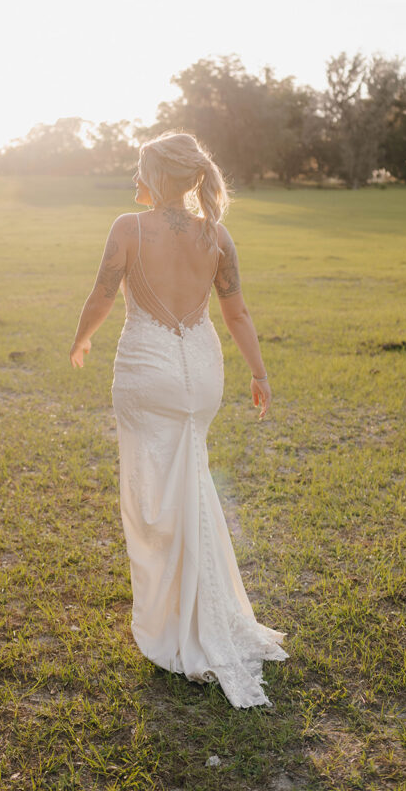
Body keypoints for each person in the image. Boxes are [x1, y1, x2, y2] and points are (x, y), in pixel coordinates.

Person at [70, 132, 287, 708]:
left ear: (158, 177)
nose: (133, 178)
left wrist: (82, 339)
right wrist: (259, 374)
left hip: (148, 371)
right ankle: (202, 611)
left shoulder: (128, 228)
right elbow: (236, 311)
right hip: (202, 373)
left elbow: (102, 294)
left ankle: (177, 623)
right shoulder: (217, 235)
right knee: (190, 481)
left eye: (140, 169)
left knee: (152, 500)